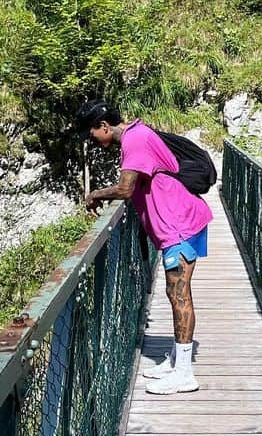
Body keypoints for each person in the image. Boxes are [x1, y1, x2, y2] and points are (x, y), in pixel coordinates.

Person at [76, 99, 212, 395]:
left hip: (179, 225)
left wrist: (95, 194)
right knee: (174, 292)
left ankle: (185, 374)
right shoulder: (136, 134)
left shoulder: (135, 141)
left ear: (103, 126)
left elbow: (125, 189)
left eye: (91, 134)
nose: (92, 140)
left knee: (179, 296)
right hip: (177, 222)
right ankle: (177, 360)